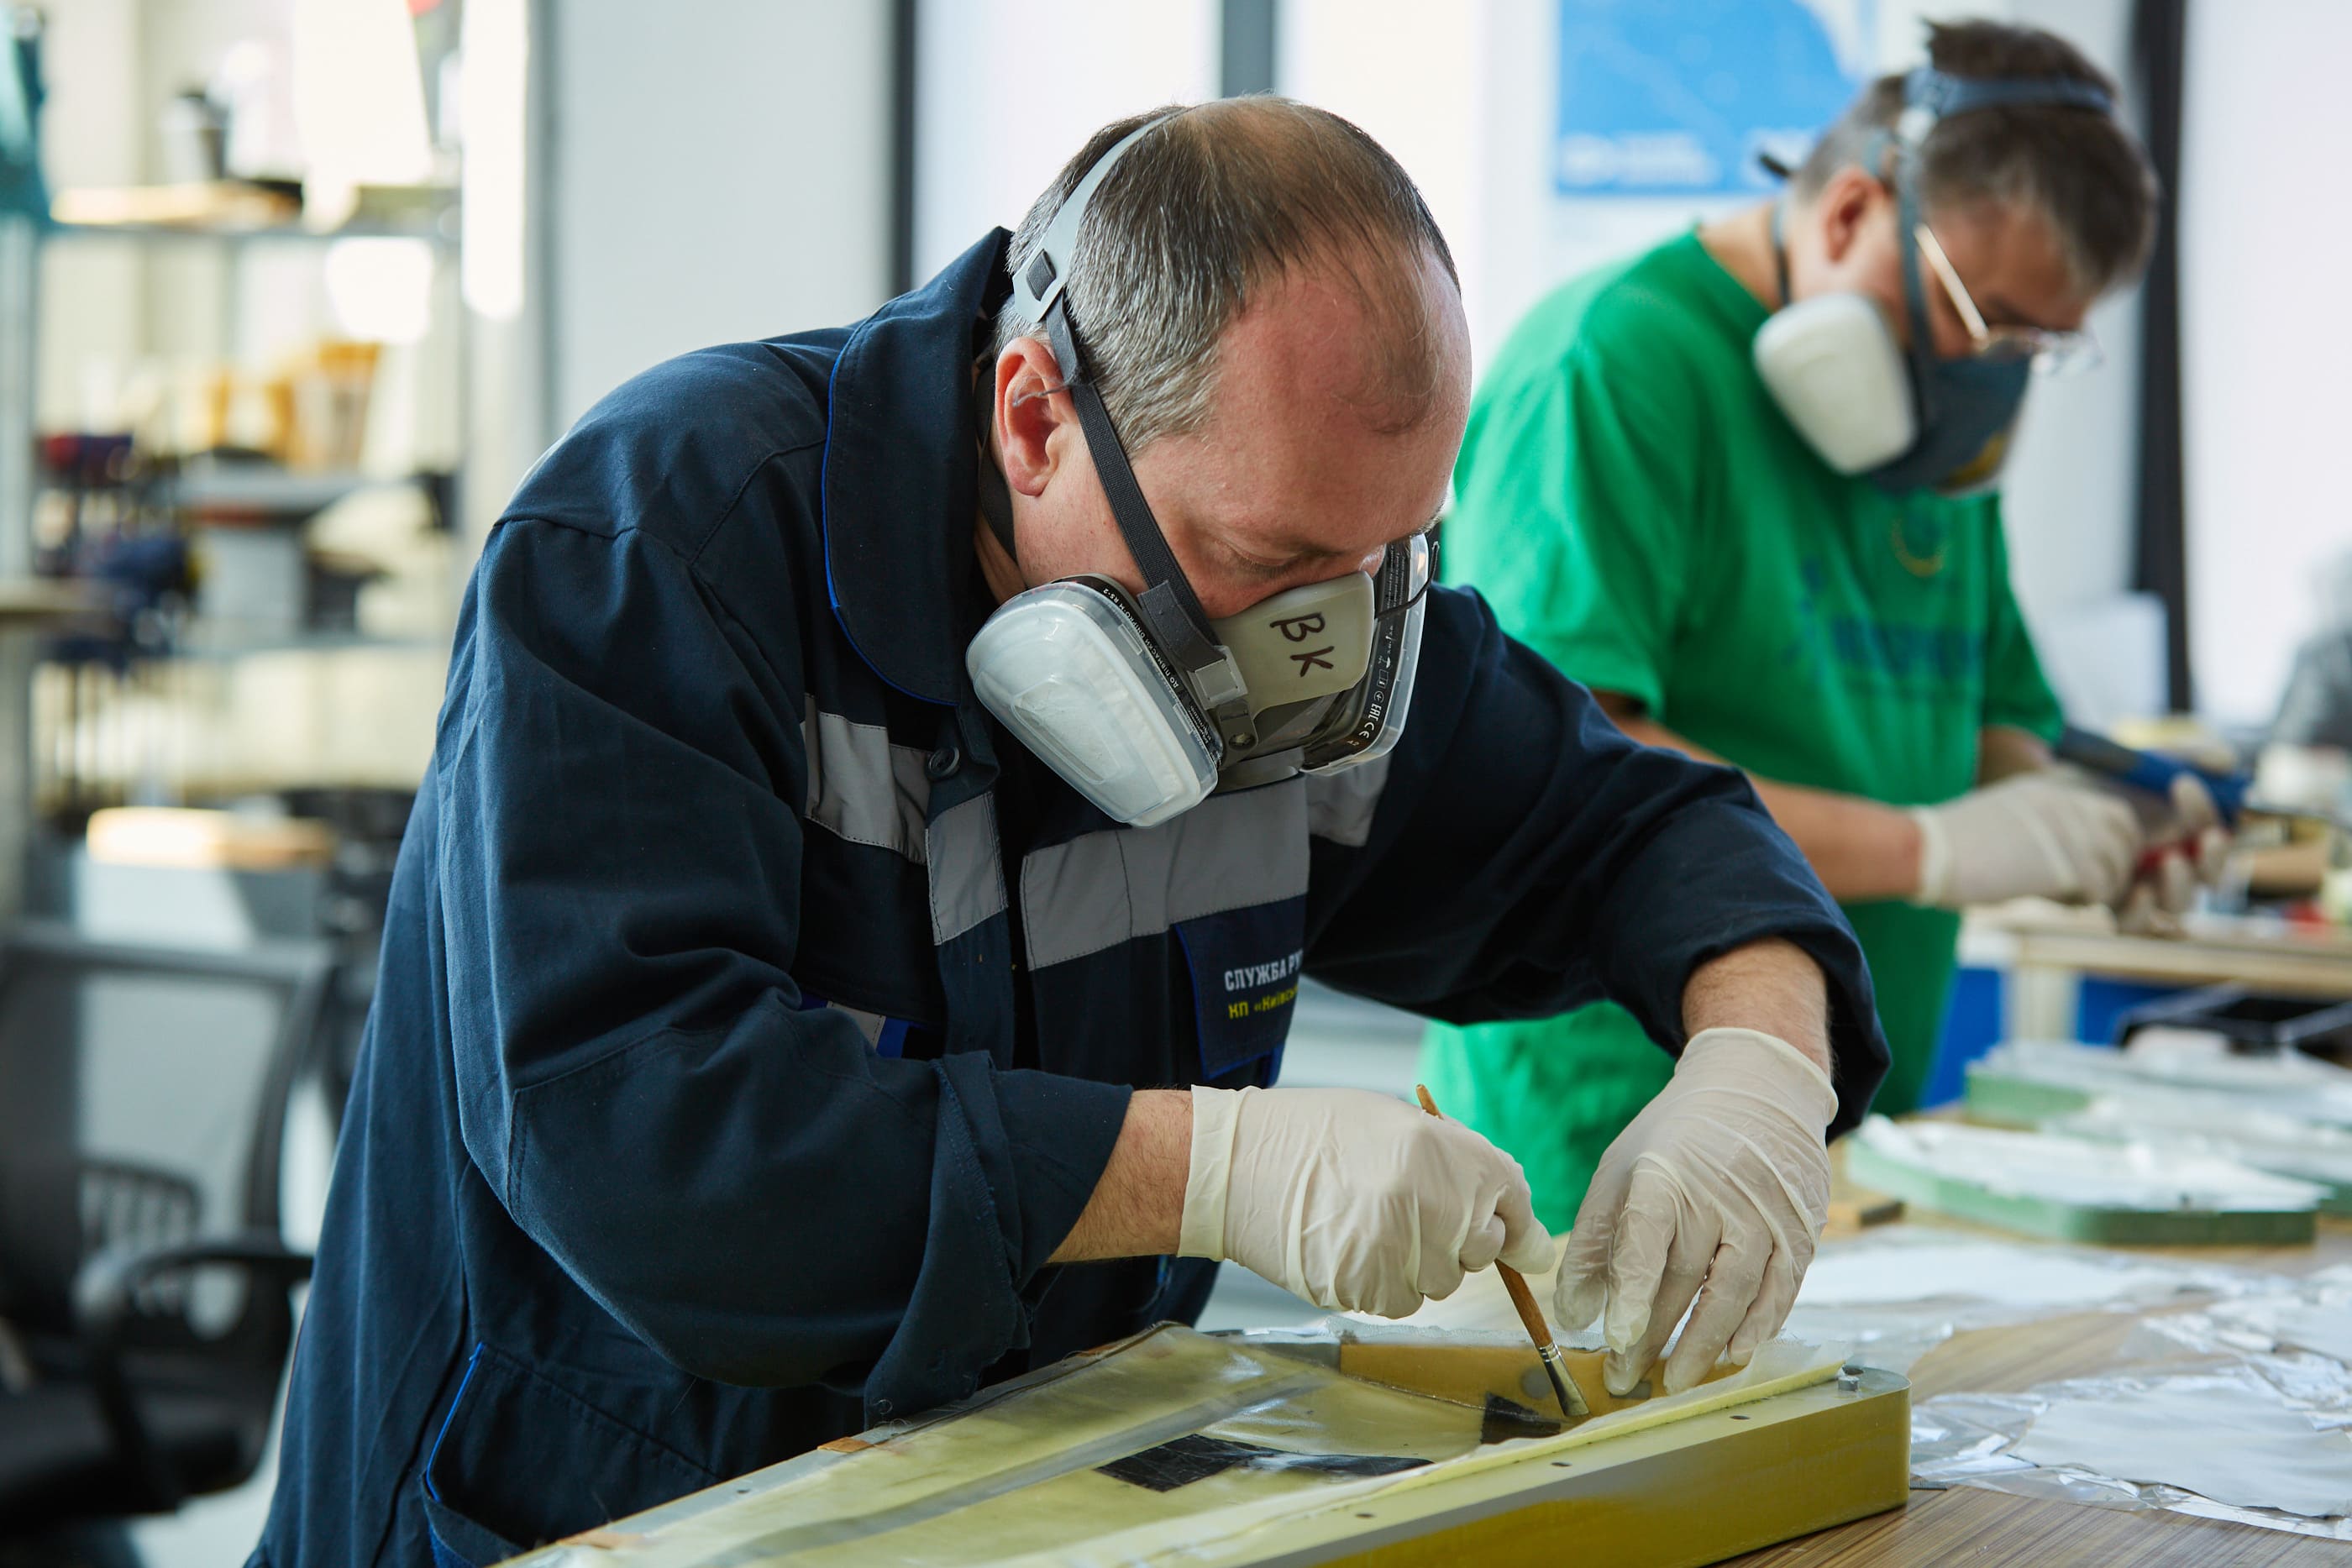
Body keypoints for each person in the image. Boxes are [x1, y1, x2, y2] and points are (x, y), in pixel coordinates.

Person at [254, 99, 1886, 1566]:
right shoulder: (661, 550)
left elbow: (1638, 824)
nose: (1323, 642)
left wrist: (1755, 1063)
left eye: (1386, 558)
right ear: (1034, 417)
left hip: (1001, 1515)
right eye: (1267, 555)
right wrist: (1208, 1170)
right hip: (573, 1523)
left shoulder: (1319, 601)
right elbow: (655, 1153)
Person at [1420, 21, 2223, 1230]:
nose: (1988, 378)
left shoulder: (1928, 447)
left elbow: (2000, 721)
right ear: (1852, 211)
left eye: (2034, 349)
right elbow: (1572, 776)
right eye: (1981, 316)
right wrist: (1936, 849)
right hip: (1604, 1145)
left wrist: (2110, 823)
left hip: (1845, 1143)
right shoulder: (1617, 370)